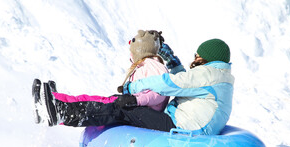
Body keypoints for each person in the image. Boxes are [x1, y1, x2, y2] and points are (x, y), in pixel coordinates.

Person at [34, 37, 234, 135]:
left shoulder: (208, 75)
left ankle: (61, 112)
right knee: (119, 104)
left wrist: (134, 88)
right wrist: (171, 59)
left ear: (205, 57)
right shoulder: (218, 76)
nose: (195, 59)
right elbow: (186, 82)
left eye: (197, 56)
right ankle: (60, 103)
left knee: (123, 109)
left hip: (182, 128)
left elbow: (169, 83)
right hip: (187, 125)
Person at [33, 30, 169, 126]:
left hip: (142, 110)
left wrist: (136, 100)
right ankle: (55, 99)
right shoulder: (145, 65)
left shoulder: (153, 65)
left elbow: (159, 93)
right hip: (135, 105)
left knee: (100, 106)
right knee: (92, 100)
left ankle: (59, 110)